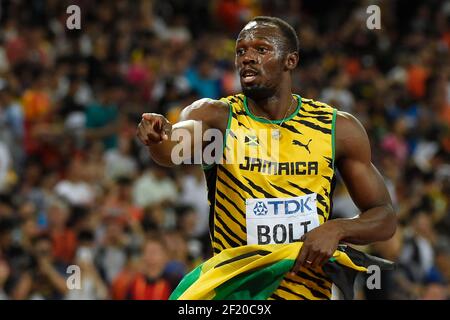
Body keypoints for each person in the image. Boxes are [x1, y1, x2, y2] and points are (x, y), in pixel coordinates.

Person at [136, 16, 397, 300]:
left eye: (261, 50)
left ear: (291, 60)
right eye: (241, 51)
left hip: (307, 291)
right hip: (240, 294)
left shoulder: (337, 129)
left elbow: (384, 216)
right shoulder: (216, 118)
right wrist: (158, 139)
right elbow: (173, 150)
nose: (247, 57)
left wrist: (339, 229)